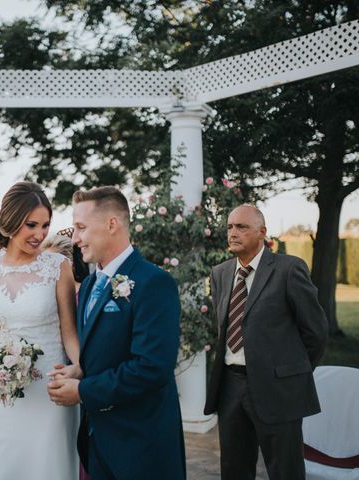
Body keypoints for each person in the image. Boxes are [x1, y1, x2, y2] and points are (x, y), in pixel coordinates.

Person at [48, 186, 186, 480]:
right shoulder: (87, 286)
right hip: (98, 444)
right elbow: (103, 351)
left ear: (112, 224)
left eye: (81, 228)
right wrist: (79, 371)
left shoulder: (154, 283)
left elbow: (151, 368)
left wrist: (83, 391)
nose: (75, 238)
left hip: (141, 446)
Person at [204, 205, 328, 480]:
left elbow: (316, 332)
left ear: (262, 232)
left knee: (285, 470)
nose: (233, 233)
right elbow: (223, 326)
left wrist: (291, 372)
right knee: (234, 470)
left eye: (242, 227)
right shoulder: (221, 273)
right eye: (230, 227)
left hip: (278, 388)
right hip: (231, 387)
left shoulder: (288, 269)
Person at [0, 181, 79, 480]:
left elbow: (69, 331)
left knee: (46, 465)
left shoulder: (57, 267)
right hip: (2, 392)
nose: (40, 234)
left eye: (45, 225)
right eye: (31, 225)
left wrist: (81, 368)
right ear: (10, 221)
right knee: (4, 463)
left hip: (49, 387)